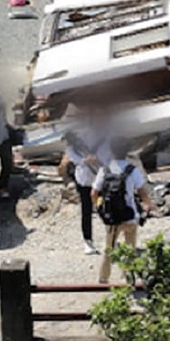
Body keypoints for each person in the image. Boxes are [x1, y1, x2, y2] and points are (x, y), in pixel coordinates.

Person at [92, 136, 154, 284]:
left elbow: (93, 193)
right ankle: (127, 278)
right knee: (130, 250)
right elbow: (142, 192)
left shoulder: (104, 170)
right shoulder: (132, 170)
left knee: (109, 248)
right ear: (127, 151)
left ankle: (103, 278)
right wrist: (147, 205)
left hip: (112, 217)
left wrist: (100, 208)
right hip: (129, 215)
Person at [64, 105, 112, 255]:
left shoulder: (108, 135)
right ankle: (88, 242)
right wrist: (85, 160)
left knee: (107, 209)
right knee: (86, 211)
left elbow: (111, 153)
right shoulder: (82, 135)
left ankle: (111, 241)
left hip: (102, 176)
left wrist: (101, 160)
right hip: (85, 178)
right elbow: (70, 153)